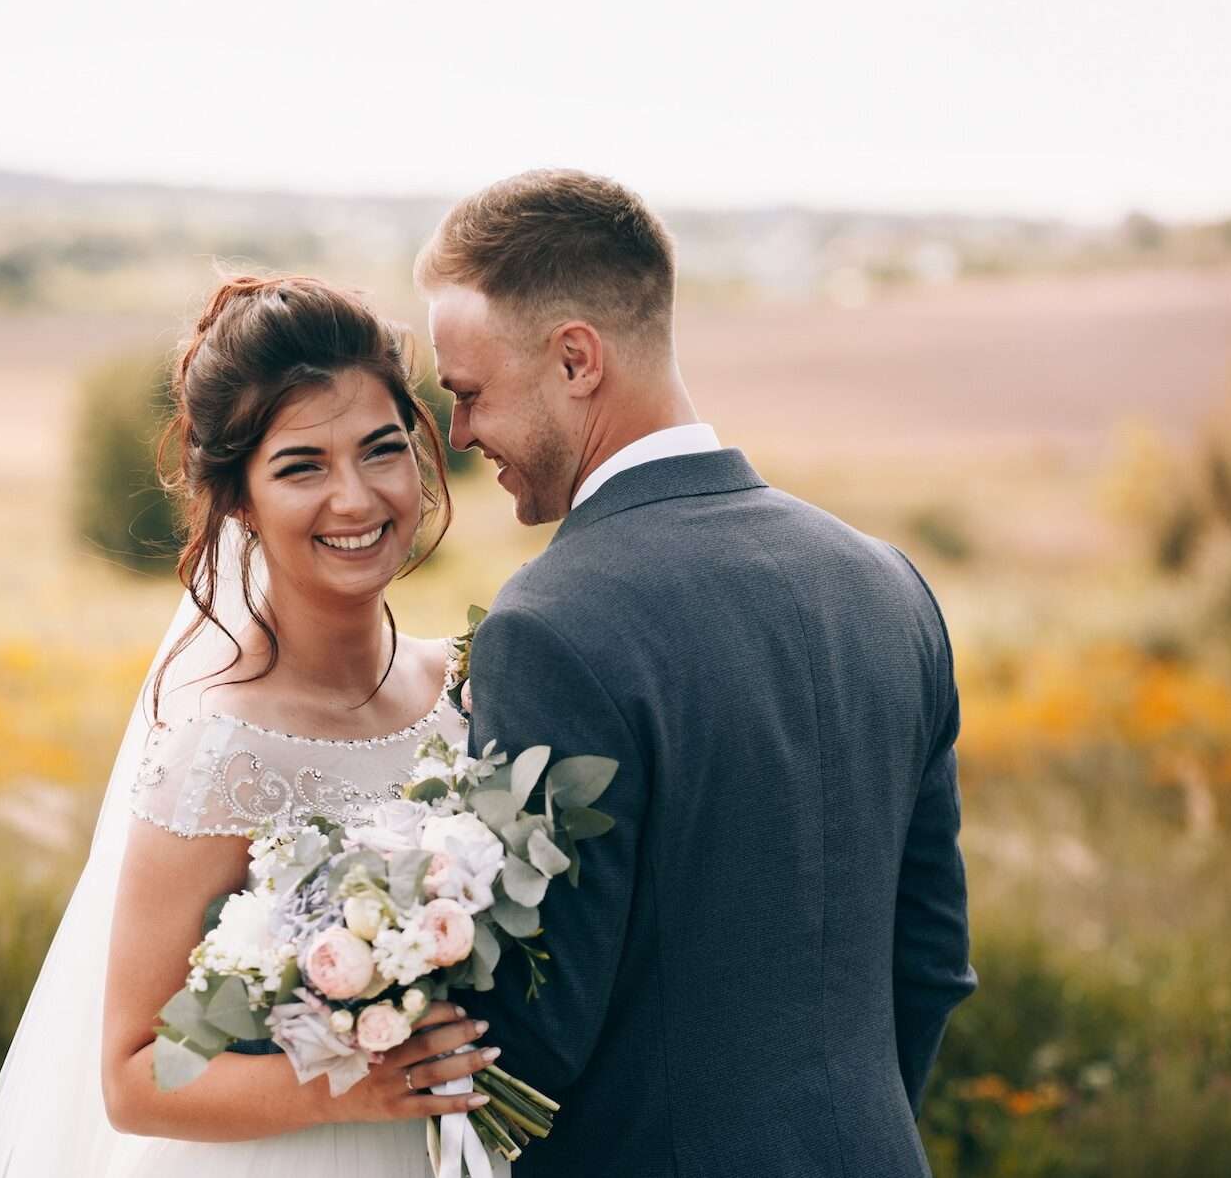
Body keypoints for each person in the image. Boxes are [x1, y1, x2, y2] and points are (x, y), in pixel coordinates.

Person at [418, 169, 977, 1177]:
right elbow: (929, 964)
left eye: (467, 394)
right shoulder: (886, 584)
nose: (459, 434)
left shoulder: (550, 627)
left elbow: (531, 1045)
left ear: (575, 358)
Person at [0, 275, 503, 1177]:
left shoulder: (466, 685)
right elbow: (132, 1079)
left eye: (382, 450)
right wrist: (354, 1087)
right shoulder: (218, 751)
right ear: (239, 500)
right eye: (302, 467)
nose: (358, 499)